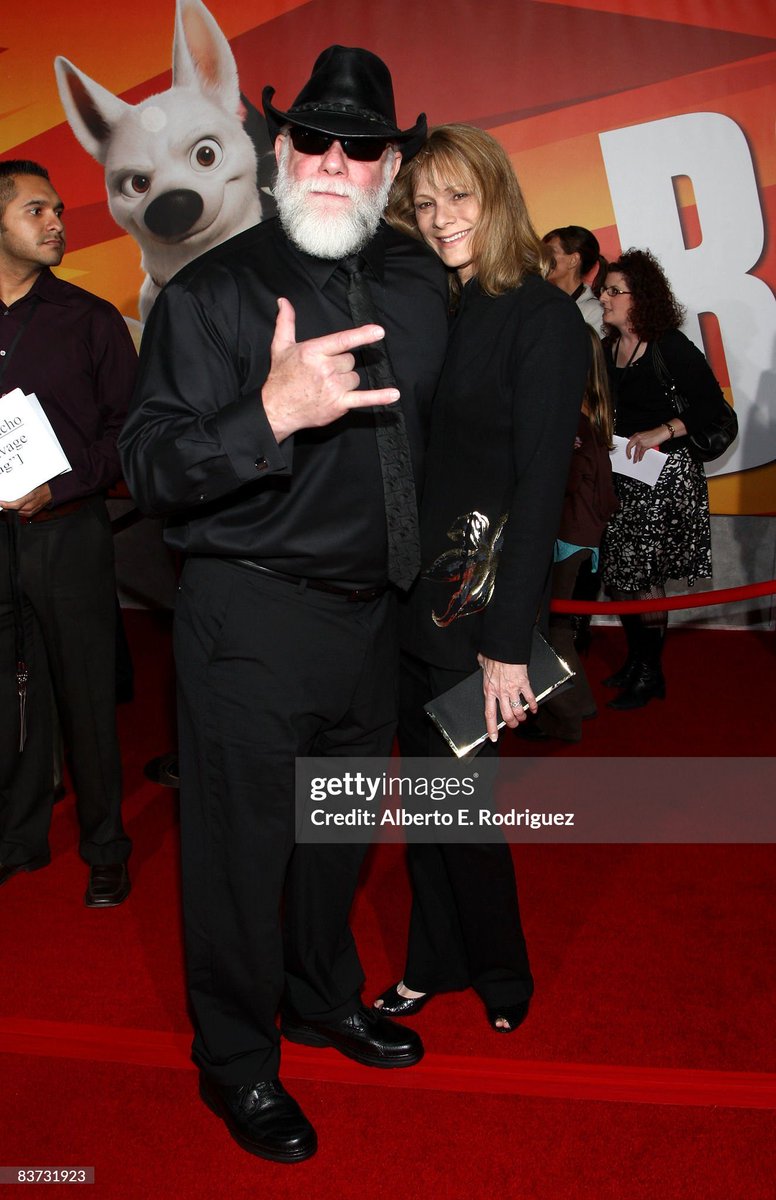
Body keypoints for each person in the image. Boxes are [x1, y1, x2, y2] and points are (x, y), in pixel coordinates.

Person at [119, 47, 449, 1164]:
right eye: (313, 139)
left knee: (336, 838)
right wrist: (268, 413)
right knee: (237, 856)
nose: (333, 162)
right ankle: (237, 1065)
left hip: (371, 623)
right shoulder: (210, 292)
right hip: (247, 621)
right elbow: (151, 467)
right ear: (277, 153)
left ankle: (321, 998)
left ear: (387, 167)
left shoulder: (415, 278)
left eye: (361, 146)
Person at [372, 125, 589, 1031]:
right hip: (412, 602)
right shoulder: (438, 309)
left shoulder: (540, 318)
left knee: (461, 802)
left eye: (458, 196)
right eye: (424, 204)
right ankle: (433, 961)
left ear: (497, 194)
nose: (442, 218)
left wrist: (508, 647)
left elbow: (541, 488)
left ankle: (503, 974)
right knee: (426, 800)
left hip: (478, 609)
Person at [0, 160, 135, 906]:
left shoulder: (90, 320)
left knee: (84, 698)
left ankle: (106, 845)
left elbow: (132, 433)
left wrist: (63, 483)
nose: (56, 221)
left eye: (57, 209)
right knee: (6, 700)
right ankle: (18, 839)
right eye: (36, 210)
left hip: (67, 531)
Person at [599, 248, 718, 710]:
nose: (604, 298)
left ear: (640, 297)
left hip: (665, 477)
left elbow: (711, 408)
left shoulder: (670, 346)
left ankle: (651, 673)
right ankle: (636, 660)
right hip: (623, 477)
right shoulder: (608, 348)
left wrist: (663, 431)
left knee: (645, 576)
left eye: (614, 291)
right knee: (624, 574)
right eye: (603, 290)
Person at [519, 325, 618, 743]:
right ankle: (581, 703)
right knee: (555, 627)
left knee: (546, 632)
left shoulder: (572, 418)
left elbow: (568, 487)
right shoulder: (591, 411)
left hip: (567, 539)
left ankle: (566, 715)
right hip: (579, 537)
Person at [543, 225, 606, 332]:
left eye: (550, 251)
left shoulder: (594, 312)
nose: (543, 258)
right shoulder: (542, 303)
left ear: (573, 260)